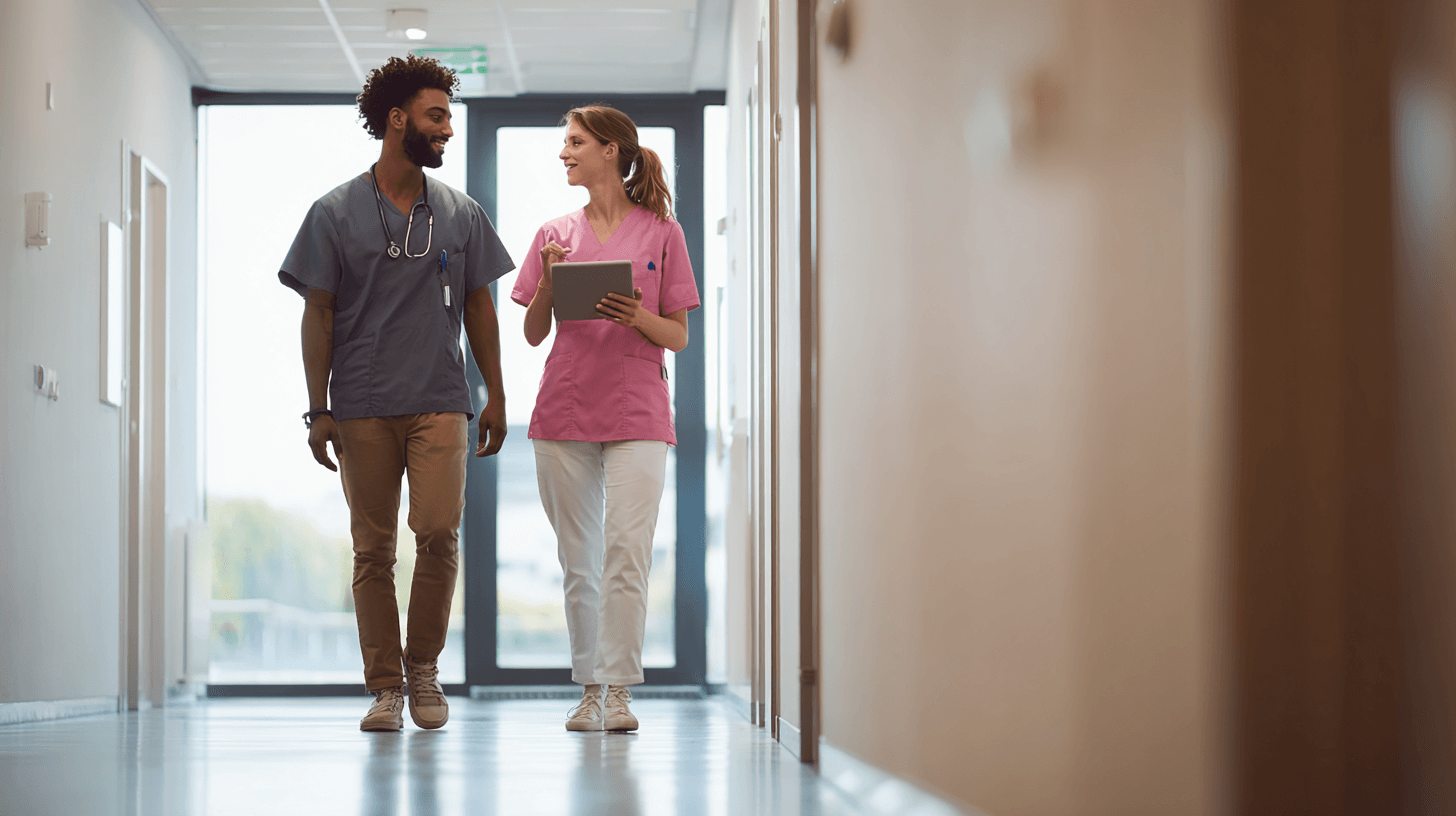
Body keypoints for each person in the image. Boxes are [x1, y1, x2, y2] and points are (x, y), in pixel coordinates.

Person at [279, 55, 514, 732]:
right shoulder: (333, 213)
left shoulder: (461, 213)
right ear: (396, 120)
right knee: (373, 549)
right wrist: (318, 406)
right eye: (436, 116)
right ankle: (384, 685)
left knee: (438, 533)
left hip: (441, 396)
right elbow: (316, 312)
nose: (447, 129)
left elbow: (481, 308)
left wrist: (495, 393)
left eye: (449, 116)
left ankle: (423, 670)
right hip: (362, 403)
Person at [511, 105, 700, 732]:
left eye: (575, 143)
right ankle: (589, 689)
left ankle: (618, 691)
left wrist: (633, 316)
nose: (564, 153)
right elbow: (534, 333)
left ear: (612, 150)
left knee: (627, 551)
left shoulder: (662, 234)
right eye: (564, 143)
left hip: (639, 409)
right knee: (579, 557)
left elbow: (677, 336)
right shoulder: (552, 234)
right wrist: (550, 283)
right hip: (564, 406)